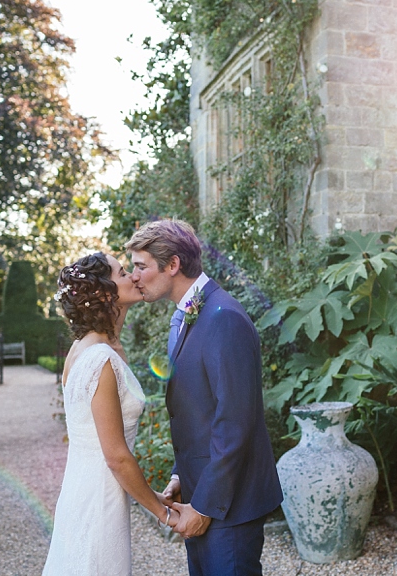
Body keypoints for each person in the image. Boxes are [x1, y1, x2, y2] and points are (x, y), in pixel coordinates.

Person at [126, 219, 283, 576]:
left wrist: (206, 507)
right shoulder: (184, 316)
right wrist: (182, 474)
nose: (135, 276)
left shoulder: (223, 317)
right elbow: (200, 411)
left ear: (173, 265)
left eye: (140, 266)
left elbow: (235, 421)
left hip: (228, 504)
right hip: (199, 492)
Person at [43, 252, 180, 576]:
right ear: (105, 292)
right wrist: (166, 515)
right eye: (122, 273)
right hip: (98, 502)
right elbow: (116, 456)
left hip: (82, 492)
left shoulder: (82, 348)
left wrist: (153, 494)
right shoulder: (100, 359)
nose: (134, 276)